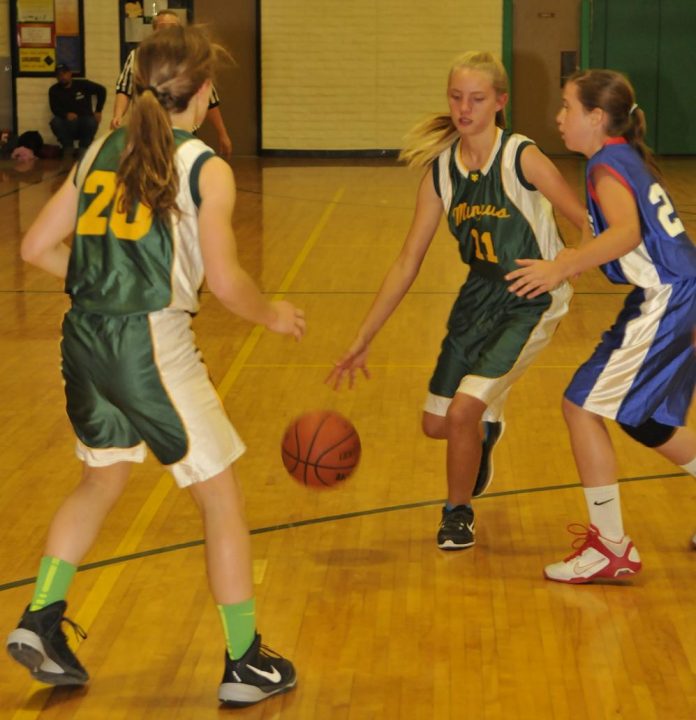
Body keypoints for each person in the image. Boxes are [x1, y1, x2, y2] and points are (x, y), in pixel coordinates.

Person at [6, 24, 303, 707]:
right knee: (220, 499)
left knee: (100, 478)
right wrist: (274, 314)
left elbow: (34, 247)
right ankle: (244, 660)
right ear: (203, 92)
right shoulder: (205, 166)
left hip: (83, 339)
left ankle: (43, 618)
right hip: (150, 347)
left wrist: (101, 288)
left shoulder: (102, 149)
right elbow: (226, 283)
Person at [327, 51, 586, 550]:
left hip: (531, 297)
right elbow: (407, 261)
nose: (464, 109)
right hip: (478, 294)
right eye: (456, 97)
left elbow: (587, 221)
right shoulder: (441, 172)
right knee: (437, 424)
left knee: (464, 410)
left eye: (477, 99)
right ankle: (484, 436)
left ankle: (456, 512)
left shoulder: (521, 157)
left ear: (500, 102)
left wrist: (562, 266)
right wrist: (364, 337)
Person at [506, 69, 696, 582]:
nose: (558, 117)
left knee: (581, 405)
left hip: (666, 298)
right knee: (644, 418)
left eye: (567, 107)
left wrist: (562, 265)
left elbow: (626, 233)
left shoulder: (607, 164)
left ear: (596, 118)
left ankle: (611, 548)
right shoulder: (619, 157)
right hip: (675, 294)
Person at [110, 9, 233, 160]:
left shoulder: (191, 57)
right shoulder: (138, 55)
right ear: (154, 30)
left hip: (183, 132)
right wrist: (117, 115)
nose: (168, 31)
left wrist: (222, 133)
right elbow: (124, 89)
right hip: (146, 127)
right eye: (163, 26)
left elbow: (211, 101)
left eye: (172, 27)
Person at [49, 64, 106, 157]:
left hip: (85, 120)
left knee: (92, 121)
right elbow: (54, 108)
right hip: (67, 122)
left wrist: (98, 110)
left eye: (64, 73)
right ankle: (68, 148)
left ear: (70, 73)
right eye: (59, 75)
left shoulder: (82, 84)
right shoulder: (54, 90)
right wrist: (66, 115)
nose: (62, 77)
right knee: (55, 122)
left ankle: (84, 150)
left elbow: (102, 90)